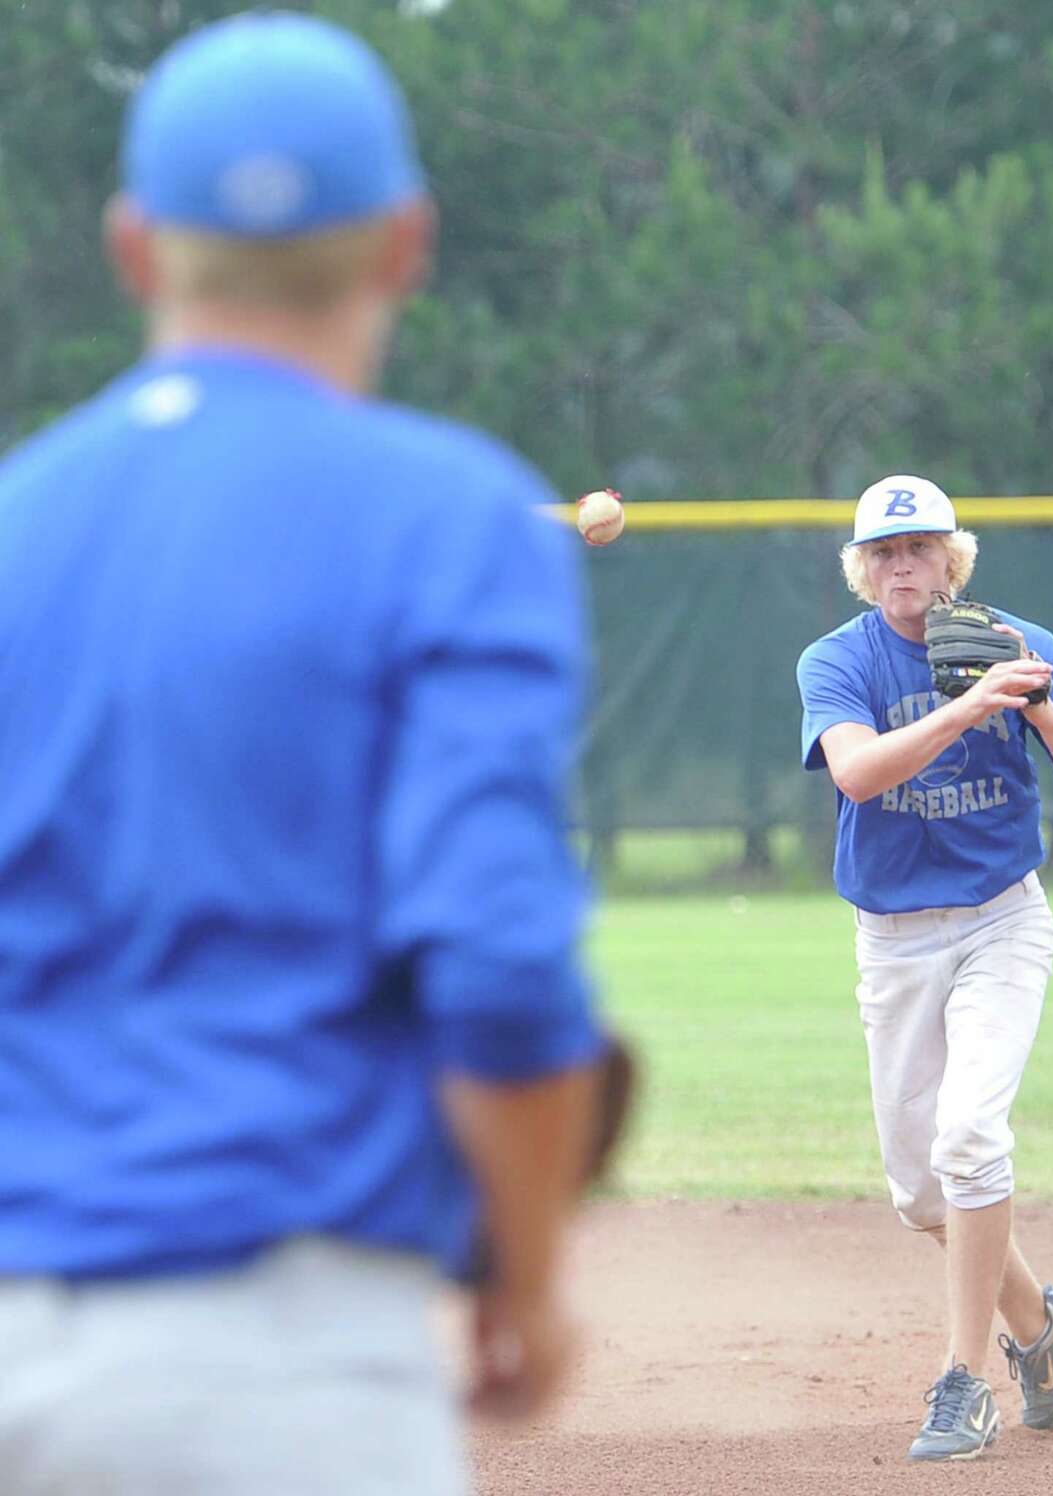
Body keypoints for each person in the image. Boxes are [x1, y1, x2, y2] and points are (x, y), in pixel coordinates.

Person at [0, 13, 610, 1494]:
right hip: (284, 1369)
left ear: (135, 246)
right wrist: (521, 1282)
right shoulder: (456, 521)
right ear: (405, 243)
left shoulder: (16, 525)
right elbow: (499, 966)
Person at [796, 475, 1053, 1463]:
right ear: (864, 569)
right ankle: (1044, 1323)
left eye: (922, 547)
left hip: (1001, 924)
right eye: (886, 552)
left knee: (972, 1134)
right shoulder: (838, 657)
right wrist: (969, 705)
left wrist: (1039, 709)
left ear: (954, 557)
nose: (905, 565)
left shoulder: (1024, 645)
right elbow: (857, 770)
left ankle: (964, 1380)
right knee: (922, 1192)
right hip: (894, 937)